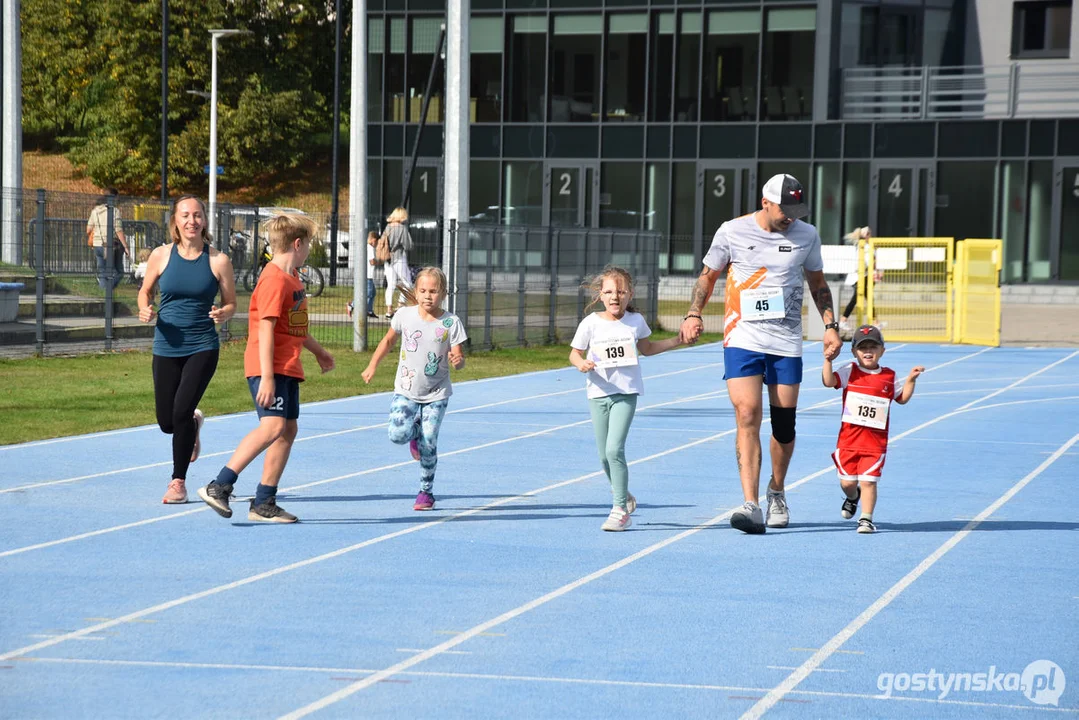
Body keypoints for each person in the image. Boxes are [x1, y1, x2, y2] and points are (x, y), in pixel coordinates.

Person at [680, 173, 843, 534]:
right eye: (785, 209)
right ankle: (750, 504)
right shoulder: (732, 231)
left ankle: (777, 490)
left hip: (785, 341)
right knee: (747, 413)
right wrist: (694, 313)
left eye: (797, 210)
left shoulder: (807, 235)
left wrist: (830, 326)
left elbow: (817, 284)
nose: (791, 217)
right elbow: (708, 276)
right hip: (742, 336)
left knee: (784, 426)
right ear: (764, 203)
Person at [197, 214, 335, 523]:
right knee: (273, 427)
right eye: (309, 244)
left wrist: (320, 353)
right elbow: (266, 330)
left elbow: (294, 329)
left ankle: (264, 501)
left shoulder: (294, 278)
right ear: (297, 244)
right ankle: (220, 484)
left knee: (287, 430)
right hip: (268, 367)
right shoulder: (273, 279)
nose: (309, 249)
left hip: (288, 364)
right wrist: (268, 377)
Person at [138, 195, 237, 504]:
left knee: (179, 411)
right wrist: (145, 308)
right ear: (175, 222)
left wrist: (224, 312)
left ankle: (177, 482)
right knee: (167, 422)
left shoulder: (218, 260)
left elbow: (233, 302)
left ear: (204, 221)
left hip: (202, 346)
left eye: (197, 215)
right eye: (185, 215)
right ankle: (193, 424)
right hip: (166, 345)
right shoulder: (161, 255)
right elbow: (144, 291)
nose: (192, 220)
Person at [569, 267, 684, 531]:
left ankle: (619, 509)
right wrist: (581, 364)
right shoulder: (590, 323)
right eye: (609, 291)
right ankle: (625, 494)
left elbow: (648, 348)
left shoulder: (635, 322)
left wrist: (677, 340)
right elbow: (574, 353)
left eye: (620, 291)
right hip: (598, 393)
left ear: (629, 294)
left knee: (614, 450)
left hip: (625, 393)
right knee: (603, 457)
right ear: (600, 295)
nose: (615, 297)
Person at [361, 267, 467, 511]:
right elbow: (388, 341)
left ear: (443, 293)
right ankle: (414, 432)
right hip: (406, 390)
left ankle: (425, 492)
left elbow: (459, 359)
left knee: (429, 443)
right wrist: (372, 365)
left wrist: (458, 361)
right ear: (416, 292)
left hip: (437, 394)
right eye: (422, 290)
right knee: (397, 435)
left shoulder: (451, 322)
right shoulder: (404, 315)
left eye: (433, 291)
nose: (427, 296)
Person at [822, 325, 924, 533]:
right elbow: (828, 381)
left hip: (875, 443)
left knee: (869, 481)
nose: (868, 351)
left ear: (882, 351)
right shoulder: (850, 371)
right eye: (862, 347)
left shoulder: (888, 376)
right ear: (854, 352)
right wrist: (828, 361)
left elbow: (901, 399)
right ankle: (852, 497)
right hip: (848, 441)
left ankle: (866, 518)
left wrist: (910, 380)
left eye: (873, 347)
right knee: (847, 483)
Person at [838, 226, 882, 335]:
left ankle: (876, 322)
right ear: (865, 236)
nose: (870, 235)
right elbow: (867, 262)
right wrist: (875, 269)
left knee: (867, 298)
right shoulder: (864, 247)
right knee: (857, 299)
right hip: (859, 277)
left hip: (863, 276)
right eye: (869, 233)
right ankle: (843, 321)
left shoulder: (864, 246)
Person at [86, 188, 131, 290]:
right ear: (113, 198)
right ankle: (108, 291)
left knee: (102, 271)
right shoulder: (115, 211)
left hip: (97, 244)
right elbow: (118, 230)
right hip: (110, 244)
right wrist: (125, 246)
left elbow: (88, 229)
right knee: (119, 272)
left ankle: (103, 293)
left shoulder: (95, 211)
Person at [381, 207, 414, 319]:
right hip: (399, 257)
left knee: (391, 284)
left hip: (388, 259)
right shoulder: (402, 228)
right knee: (408, 282)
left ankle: (389, 310)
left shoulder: (387, 227)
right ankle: (400, 306)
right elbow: (408, 245)